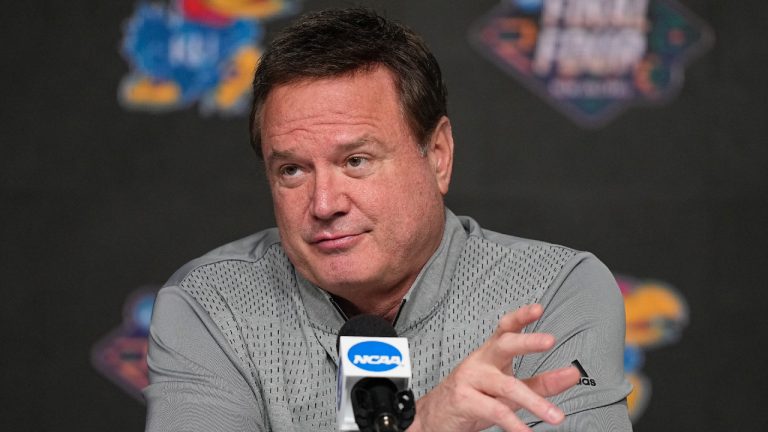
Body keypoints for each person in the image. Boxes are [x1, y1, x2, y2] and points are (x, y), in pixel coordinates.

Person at [144, 8, 632, 432]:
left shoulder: (552, 293)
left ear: (437, 156)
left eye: (356, 161)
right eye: (292, 170)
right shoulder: (211, 307)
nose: (324, 203)